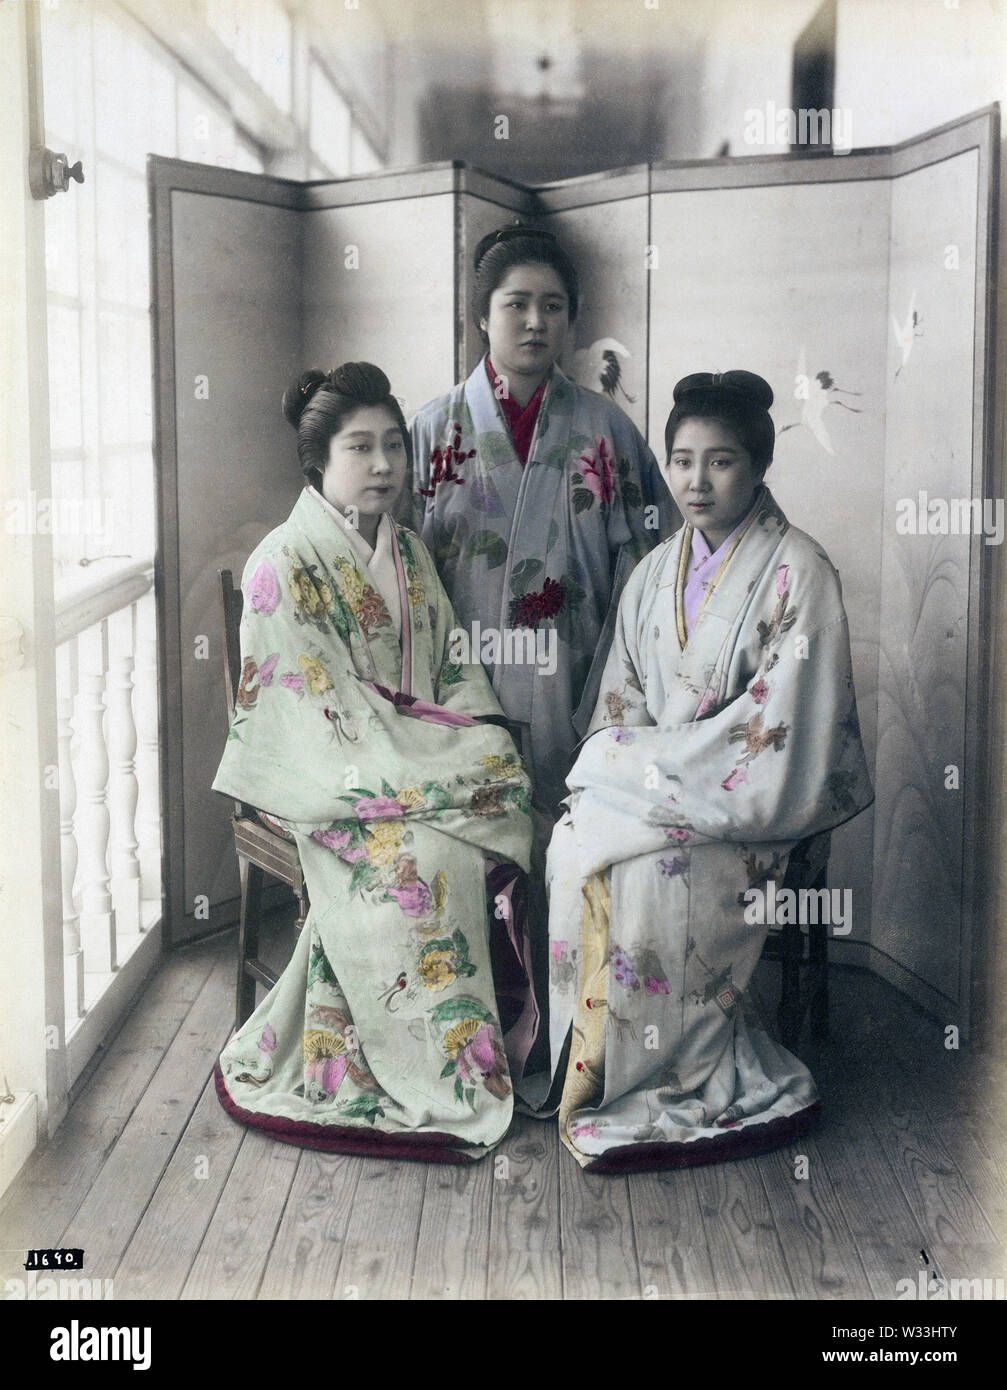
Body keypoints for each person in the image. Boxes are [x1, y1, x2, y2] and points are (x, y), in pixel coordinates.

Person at [541, 370, 874, 1170]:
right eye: (682, 460)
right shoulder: (653, 572)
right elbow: (620, 702)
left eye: (719, 461)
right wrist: (637, 773)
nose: (696, 480)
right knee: (572, 843)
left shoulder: (800, 570)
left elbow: (782, 726)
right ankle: (587, 1069)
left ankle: (664, 1073)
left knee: (655, 872)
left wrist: (648, 776)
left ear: (757, 468)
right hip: (661, 788)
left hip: (747, 809)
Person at [211, 362, 537, 1163]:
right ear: (318, 462)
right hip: (328, 781)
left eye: (393, 445)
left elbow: (453, 666)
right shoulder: (278, 564)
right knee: (417, 857)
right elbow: (307, 710)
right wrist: (424, 772)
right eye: (361, 448)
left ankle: (501, 1043)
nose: (384, 465)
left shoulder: (410, 556)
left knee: (510, 796)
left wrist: (473, 738)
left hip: (405, 758)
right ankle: (427, 1071)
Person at [407, 222, 674, 816]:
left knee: (567, 845)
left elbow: (655, 566)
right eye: (517, 304)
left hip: (576, 683)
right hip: (459, 683)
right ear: (482, 316)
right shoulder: (433, 431)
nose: (536, 321)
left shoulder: (608, 431)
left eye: (553, 306)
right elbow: (402, 576)